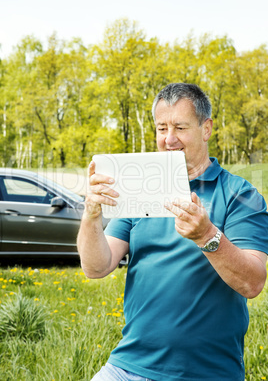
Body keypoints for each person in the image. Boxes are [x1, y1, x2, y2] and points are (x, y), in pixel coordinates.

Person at [77, 83, 268, 381]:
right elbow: (96, 267)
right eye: (161, 128)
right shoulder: (137, 189)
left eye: (180, 127)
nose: (169, 139)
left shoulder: (241, 195)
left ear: (206, 129)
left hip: (207, 373)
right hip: (127, 367)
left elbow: (253, 283)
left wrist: (207, 236)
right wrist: (90, 214)